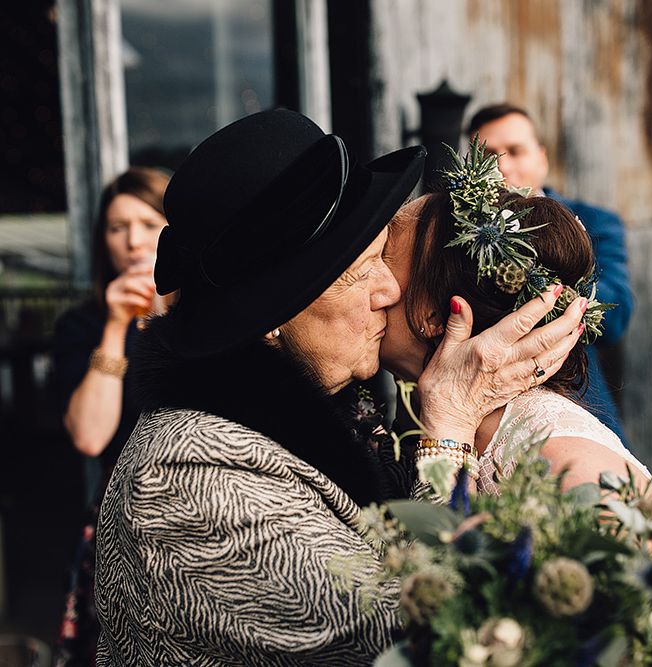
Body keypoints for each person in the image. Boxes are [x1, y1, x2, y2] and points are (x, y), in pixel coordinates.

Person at [94, 109, 586, 666]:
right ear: (272, 313)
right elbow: (433, 637)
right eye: (366, 265)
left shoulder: (336, 406)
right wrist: (449, 426)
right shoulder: (190, 478)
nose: (390, 287)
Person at [379, 178, 652, 520]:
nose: (365, 278)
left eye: (382, 257)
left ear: (435, 314)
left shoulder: (561, 464)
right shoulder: (422, 410)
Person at [52, 167, 171, 667]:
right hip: (117, 522)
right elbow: (89, 436)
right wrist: (117, 326)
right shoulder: (84, 324)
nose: (133, 241)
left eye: (147, 222)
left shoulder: (207, 314)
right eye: (117, 227)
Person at [467, 103, 633, 443]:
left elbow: (616, 316)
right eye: (488, 156)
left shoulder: (596, 222)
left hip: (577, 408)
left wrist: (543, 280)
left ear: (541, 157)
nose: (502, 165)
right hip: (480, 420)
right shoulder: (460, 235)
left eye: (515, 151)